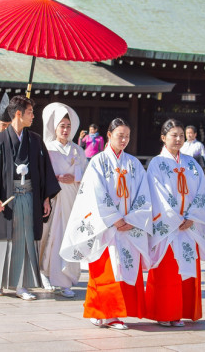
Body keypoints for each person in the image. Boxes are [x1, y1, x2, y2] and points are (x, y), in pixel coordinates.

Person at [60, 118, 152, 330]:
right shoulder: (98, 162)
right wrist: (114, 218)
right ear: (109, 135)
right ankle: (107, 314)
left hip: (128, 226)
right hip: (107, 227)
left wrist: (132, 219)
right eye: (120, 135)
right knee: (105, 270)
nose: (124, 140)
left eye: (127, 136)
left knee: (124, 269)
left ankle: (110, 313)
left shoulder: (134, 164)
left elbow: (143, 194)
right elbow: (95, 194)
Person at [0, 95, 60, 300]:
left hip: (29, 196)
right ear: (18, 113)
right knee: (3, 239)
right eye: (30, 112)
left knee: (25, 239)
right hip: (7, 198)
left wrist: (45, 199)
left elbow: (44, 172)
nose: (33, 116)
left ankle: (21, 285)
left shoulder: (35, 140)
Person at [145, 119, 205, 327]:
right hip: (168, 226)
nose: (178, 139)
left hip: (189, 225)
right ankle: (164, 313)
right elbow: (157, 194)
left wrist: (192, 216)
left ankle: (181, 312)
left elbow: (202, 191)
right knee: (167, 270)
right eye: (173, 135)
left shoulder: (192, 163)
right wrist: (175, 219)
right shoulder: (157, 164)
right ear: (163, 138)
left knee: (185, 269)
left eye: (180, 136)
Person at [39, 103, 87, 298]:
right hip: (53, 198)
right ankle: (46, 273)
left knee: (70, 238)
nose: (65, 130)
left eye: (68, 125)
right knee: (51, 237)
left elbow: (86, 173)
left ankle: (66, 279)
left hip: (72, 200)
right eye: (62, 126)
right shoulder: (48, 148)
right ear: (54, 128)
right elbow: (42, 174)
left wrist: (74, 177)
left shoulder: (78, 150)